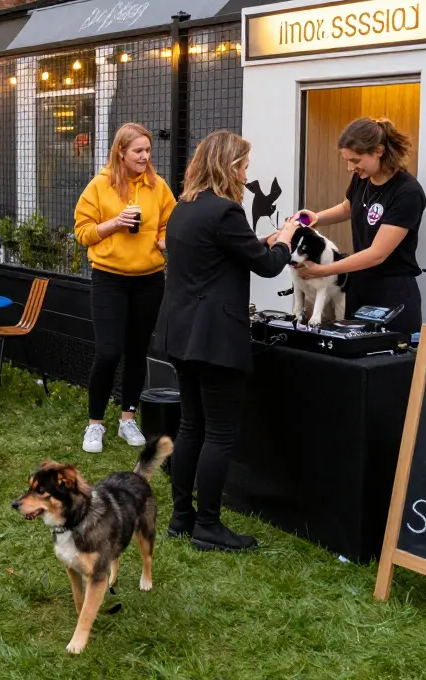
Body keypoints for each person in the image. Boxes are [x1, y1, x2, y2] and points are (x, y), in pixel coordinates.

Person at [158, 130, 298, 552]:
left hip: (180, 334)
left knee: (190, 426)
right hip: (216, 338)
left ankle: (181, 518)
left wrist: (260, 242)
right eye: (243, 165)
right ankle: (209, 526)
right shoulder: (226, 212)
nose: (246, 172)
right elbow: (269, 267)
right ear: (228, 167)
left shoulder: (184, 209)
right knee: (218, 433)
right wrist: (286, 237)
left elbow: (218, 253)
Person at [73, 122, 176, 454]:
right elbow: (82, 232)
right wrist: (114, 224)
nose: (145, 156)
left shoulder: (158, 187)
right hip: (109, 278)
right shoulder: (100, 186)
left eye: (148, 150)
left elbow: (169, 224)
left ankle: (128, 417)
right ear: (121, 151)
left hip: (149, 279)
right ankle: (95, 424)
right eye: (138, 151)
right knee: (108, 352)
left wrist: (164, 241)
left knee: (136, 351)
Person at [296, 117, 424, 336]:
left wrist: (323, 271)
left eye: (355, 160)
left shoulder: (407, 193)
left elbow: (377, 255)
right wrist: (312, 219)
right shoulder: (362, 178)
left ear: (379, 151)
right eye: (346, 160)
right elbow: (347, 208)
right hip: (360, 286)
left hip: (392, 293)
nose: (350, 167)